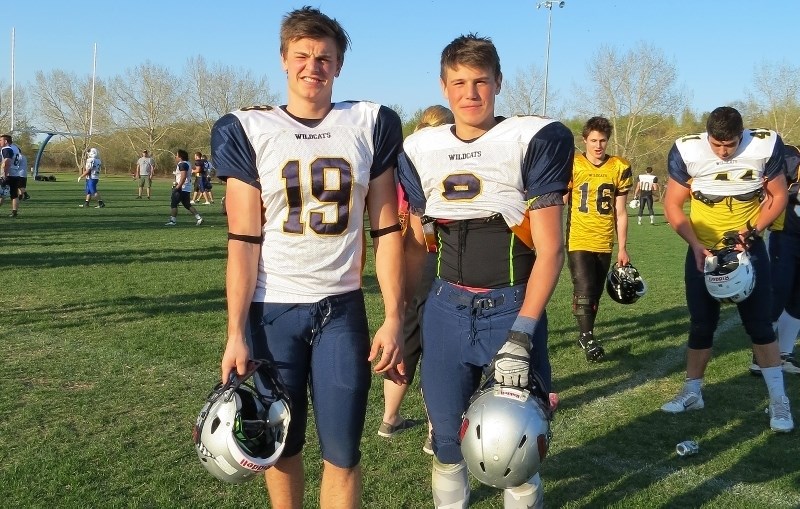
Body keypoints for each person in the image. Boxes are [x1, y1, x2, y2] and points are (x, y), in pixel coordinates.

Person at [211, 7, 404, 508]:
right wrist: (234, 332)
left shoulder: (370, 123)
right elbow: (243, 241)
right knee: (282, 447)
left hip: (341, 307)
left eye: (324, 58)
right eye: (302, 56)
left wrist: (394, 316)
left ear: (338, 65)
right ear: (283, 60)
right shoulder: (249, 128)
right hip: (272, 309)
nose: (312, 67)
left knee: (343, 451)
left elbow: (386, 229)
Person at [398, 34, 573, 509]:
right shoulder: (420, 149)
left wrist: (521, 334)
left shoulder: (530, 140)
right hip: (445, 307)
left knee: (511, 450)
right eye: (458, 82)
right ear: (442, 85)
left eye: (480, 81)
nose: (469, 93)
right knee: (448, 445)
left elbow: (552, 250)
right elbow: (417, 247)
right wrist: (399, 319)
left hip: (510, 305)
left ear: (498, 82)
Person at [661, 106, 793, 432]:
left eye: (729, 145)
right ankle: (693, 392)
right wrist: (693, 243)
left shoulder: (763, 145)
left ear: (741, 135)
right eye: (716, 144)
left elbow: (778, 196)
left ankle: (779, 401)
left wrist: (753, 231)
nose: (722, 152)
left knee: (760, 325)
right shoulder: (687, 150)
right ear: (707, 135)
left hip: (747, 246)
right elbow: (672, 204)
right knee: (702, 323)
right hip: (703, 249)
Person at [379, 104, 454, 455]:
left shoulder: (402, 158)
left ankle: (389, 417)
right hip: (430, 255)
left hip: (397, 257)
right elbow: (426, 221)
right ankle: (433, 428)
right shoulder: (435, 158)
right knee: (438, 345)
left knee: (406, 334)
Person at [565, 117, 633, 362]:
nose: (598, 145)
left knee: (594, 292)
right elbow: (561, 199)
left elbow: (621, 211)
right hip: (578, 237)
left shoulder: (618, 166)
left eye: (602, 140)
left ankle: (585, 334)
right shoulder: (573, 164)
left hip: (604, 239)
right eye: (593, 140)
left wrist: (622, 247)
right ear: (584, 140)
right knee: (583, 289)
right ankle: (588, 337)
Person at [750, 143, 800, 375]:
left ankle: (784, 354)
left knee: (797, 299)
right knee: (777, 292)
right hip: (785, 235)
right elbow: (771, 190)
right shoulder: (790, 156)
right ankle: (760, 358)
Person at [165, 149, 203, 226]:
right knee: (187, 204)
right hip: (186, 187)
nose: (175, 156)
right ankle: (199, 218)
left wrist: (178, 187)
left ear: (180, 157)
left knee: (174, 204)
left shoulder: (182, 164)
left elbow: (183, 176)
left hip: (182, 187)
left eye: (177, 155)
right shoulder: (188, 163)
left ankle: (173, 221)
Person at [0, 134, 23, 217]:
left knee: (2, 194)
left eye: (1, 140)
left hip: (8, 174)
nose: (0, 142)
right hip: (15, 174)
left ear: (6, 141)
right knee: (14, 194)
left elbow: (7, 162)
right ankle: (14, 212)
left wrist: (4, 175)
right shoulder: (16, 149)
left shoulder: (6, 149)